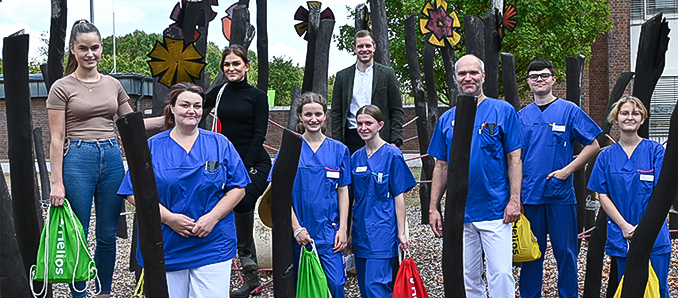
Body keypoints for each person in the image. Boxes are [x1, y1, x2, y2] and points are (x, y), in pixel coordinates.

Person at [47, 19, 162, 298]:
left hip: (111, 156)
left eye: (95, 48)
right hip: (78, 159)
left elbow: (130, 122)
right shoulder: (61, 87)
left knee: (108, 233)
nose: (90, 54)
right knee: (80, 233)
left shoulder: (113, 84)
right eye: (83, 48)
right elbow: (56, 138)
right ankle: (79, 292)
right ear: (73, 49)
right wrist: (56, 183)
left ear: (101, 48)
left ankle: (104, 291)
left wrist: (171, 119)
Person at [118, 82, 250, 297]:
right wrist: (169, 218)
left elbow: (238, 187)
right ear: (172, 107)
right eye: (185, 105)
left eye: (197, 106)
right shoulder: (152, 146)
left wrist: (213, 218)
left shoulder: (219, 144)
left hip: (212, 242)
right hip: (166, 243)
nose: (192, 111)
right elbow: (133, 191)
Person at [427, 54, 522, 298]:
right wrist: (434, 207)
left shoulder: (503, 111)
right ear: (456, 78)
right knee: (468, 276)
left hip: (495, 209)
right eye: (462, 74)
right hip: (460, 212)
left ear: (483, 76)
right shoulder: (447, 119)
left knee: (500, 273)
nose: (468, 78)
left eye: (473, 73)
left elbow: (514, 158)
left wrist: (514, 199)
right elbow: (441, 166)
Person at [517, 58, 602, 298]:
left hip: (560, 195)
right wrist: (515, 196)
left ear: (554, 79)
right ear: (528, 82)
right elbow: (513, 158)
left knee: (566, 252)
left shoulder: (569, 110)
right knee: (532, 253)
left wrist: (567, 171)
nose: (539, 80)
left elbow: (593, 145)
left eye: (544, 75)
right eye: (534, 76)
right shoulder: (521, 117)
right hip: (530, 195)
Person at [201, 44, 270, 297]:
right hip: (226, 163)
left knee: (242, 201)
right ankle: (250, 278)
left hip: (254, 161)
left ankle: (245, 256)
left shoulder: (257, 96)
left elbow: (259, 134)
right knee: (224, 208)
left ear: (247, 66)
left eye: (236, 64)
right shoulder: (219, 92)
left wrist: (244, 165)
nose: (231, 68)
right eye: (227, 64)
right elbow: (195, 105)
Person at [587, 95, 671, 298]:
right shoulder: (605, 157)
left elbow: (661, 194)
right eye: (624, 113)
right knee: (629, 289)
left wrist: (645, 228)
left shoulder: (655, 152)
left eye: (635, 113)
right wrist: (625, 226)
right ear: (616, 118)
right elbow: (603, 195)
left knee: (658, 288)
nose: (629, 117)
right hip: (622, 234)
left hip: (655, 235)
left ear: (643, 119)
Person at [269, 92, 350, 298]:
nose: (313, 119)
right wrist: (296, 229)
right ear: (299, 116)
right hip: (299, 235)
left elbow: (343, 190)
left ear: (325, 116)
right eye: (308, 114)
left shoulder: (339, 150)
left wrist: (343, 228)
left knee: (335, 284)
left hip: (329, 233)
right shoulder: (289, 150)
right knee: (301, 288)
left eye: (318, 114)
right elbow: (278, 195)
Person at [350, 105, 416, 298]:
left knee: (376, 286)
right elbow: (355, 199)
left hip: (382, 231)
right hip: (360, 231)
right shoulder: (355, 158)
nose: (363, 127)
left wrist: (402, 233)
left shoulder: (392, 155)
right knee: (364, 287)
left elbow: (399, 196)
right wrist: (351, 232)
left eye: (368, 123)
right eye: (359, 123)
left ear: (380, 125)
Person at [331, 29, 404, 153]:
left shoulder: (387, 74)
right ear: (354, 49)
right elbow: (336, 113)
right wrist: (338, 143)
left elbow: (396, 110)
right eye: (360, 46)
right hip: (351, 138)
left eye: (368, 45)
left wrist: (395, 141)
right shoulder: (342, 77)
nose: (364, 49)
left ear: (374, 47)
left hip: (380, 137)